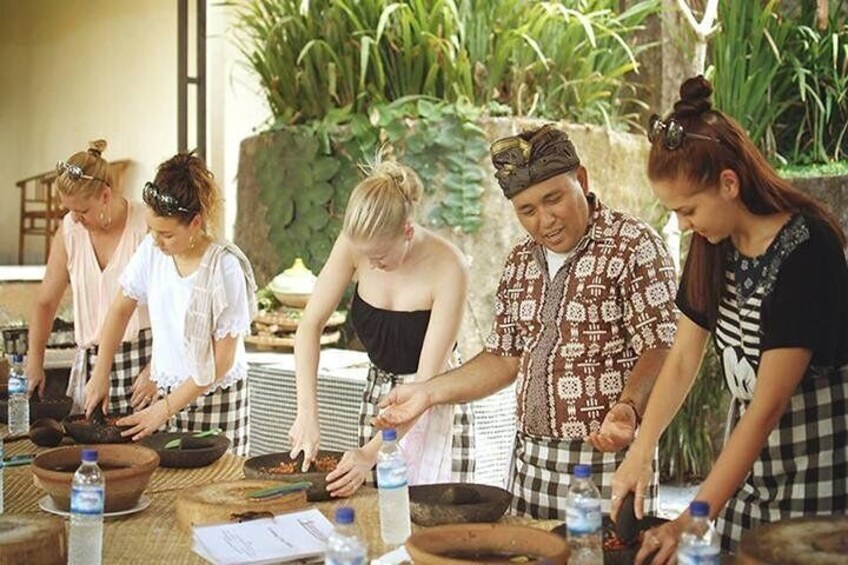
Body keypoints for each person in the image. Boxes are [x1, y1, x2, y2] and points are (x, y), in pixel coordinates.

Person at [374, 124, 679, 519]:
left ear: (581, 180)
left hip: (610, 462)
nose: (545, 220)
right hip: (530, 463)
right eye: (527, 210)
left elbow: (663, 344)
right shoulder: (520, 261)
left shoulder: (633, 245)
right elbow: (503, 358)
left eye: (554, 199)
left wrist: (629, 408)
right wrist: (426, 393)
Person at [610, 75, 848, 562]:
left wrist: (689, 520)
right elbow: (681, 360)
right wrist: (641, 448)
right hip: (749, 465)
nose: (682, 224)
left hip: (821, 463)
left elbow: (767, 407)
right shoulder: (711, 246)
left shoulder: (807, 250)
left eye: (688, 209)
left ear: (729, 184)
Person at [289, 159, 476, 498]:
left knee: (431, 520)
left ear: (407, 231)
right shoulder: (355, 245)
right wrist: (306, 413)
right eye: (365, 257)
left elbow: (425, 384)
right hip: (378, 399)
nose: (371, 266)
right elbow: (309, 326)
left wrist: (369, 454)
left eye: (379, 257)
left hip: (433, 401)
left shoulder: (450, 267)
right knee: (377, 515)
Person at [84, 152, 257, 455]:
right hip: (165, 395)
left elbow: (222, 360)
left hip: (215, 399)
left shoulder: (224, 266)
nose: (156, 241)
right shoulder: (152, 252)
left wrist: (163, 409)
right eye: (152, 230)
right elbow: (120, 309)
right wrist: (100, 373)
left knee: (216, 494)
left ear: (195, 223)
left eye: (167, 234)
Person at [27, 140, 155, 415]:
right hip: (91, 366)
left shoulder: (146, 225)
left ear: (105, 196)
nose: (74, 218)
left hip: (145, 362)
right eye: (69, 210)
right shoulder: (69, 232)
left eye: (82, 211)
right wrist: (34, 360)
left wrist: (158, 367)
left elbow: (177, 302)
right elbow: (46, 303)